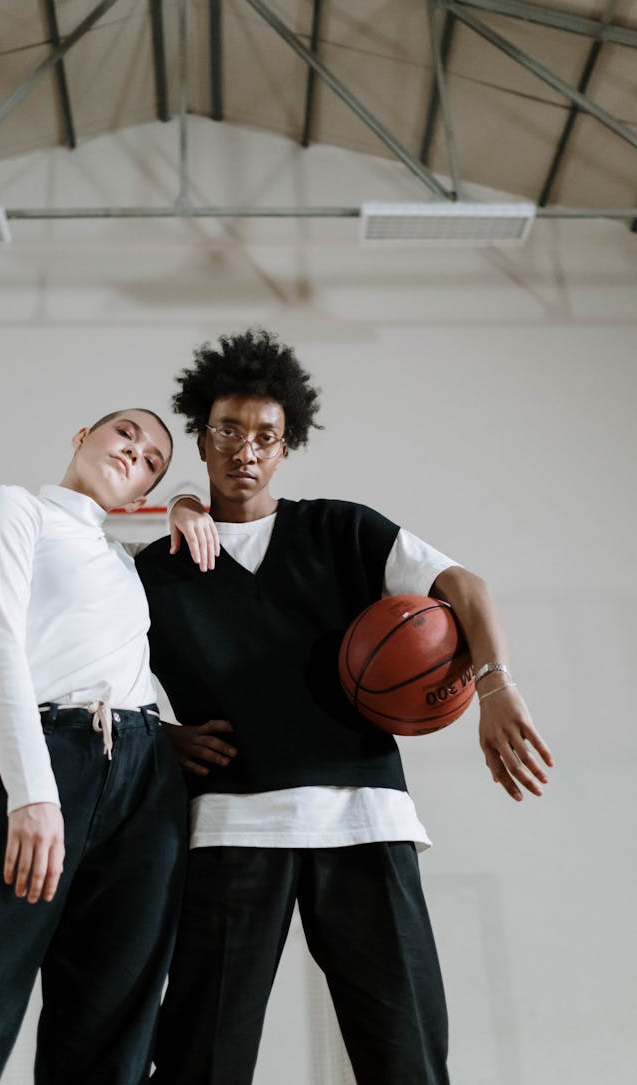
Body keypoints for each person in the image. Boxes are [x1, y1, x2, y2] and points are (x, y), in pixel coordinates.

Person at [135, 331, 555, 1085]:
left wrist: (495, 683)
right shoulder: (155, 568)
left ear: (287, 445)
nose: (246, 450)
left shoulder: (342, 529)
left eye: (266, 435)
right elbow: (92, 672)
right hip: (232, 826)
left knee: (408, 1059)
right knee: (201, 1061)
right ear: (202, 437)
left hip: (365, 817)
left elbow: (464, 586)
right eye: (228, 430)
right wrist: (155, 737)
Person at [0, 407, 215, 1085]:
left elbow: (108, 658)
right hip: (44, 761)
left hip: (145, 786)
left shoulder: (123, 562)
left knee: (111, 1030)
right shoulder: (15, 510)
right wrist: (32, 792)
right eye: (126, 433)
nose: (137, 452)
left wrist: (184, 502)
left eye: (153, 458)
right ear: (80, 437)